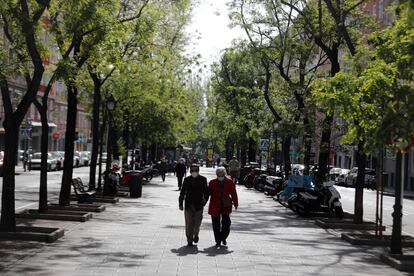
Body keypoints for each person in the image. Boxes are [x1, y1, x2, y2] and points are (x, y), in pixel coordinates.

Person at [179, 164, 209, 246]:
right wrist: (180, 203)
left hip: (199, 205)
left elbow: (206, 193)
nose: (194, 172)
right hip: (188, 204)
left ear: (198, 171)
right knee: (189, 223)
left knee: (197, 223)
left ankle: (196, 234)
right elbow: (182, 192)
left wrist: (204, 202)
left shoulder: (203, 179)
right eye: (192, 170)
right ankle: (189, 239)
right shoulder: (186, 179)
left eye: (196, 170)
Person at [208, 167, 238, 248]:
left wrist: (236, 203)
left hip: (226, 205)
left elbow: (233, 193)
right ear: (216, 174)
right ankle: (218, 240)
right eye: (218, 174)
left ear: (224, 174)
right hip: (215, 205)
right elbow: (208, 193)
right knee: (216, 224)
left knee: (226, 223)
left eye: (221, 174)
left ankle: (223, 237)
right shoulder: (212, 182)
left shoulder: (229, 182)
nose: (220, 175)